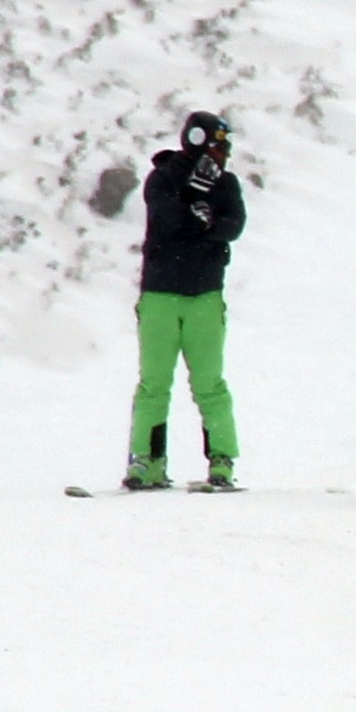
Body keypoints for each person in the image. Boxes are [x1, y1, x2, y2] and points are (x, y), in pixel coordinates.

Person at [126, 111, 246, 492]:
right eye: (218, 145)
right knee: (154, 383)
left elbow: (233, 225)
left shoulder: (225, 185)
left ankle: (221, 461)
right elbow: (168, 217)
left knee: (208, 383)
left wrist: (207, 220)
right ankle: (147, 461)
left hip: (203, 296)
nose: (224, 154)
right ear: (197, 141)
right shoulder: (163, 178)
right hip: (162, 296)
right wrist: (196, 201)